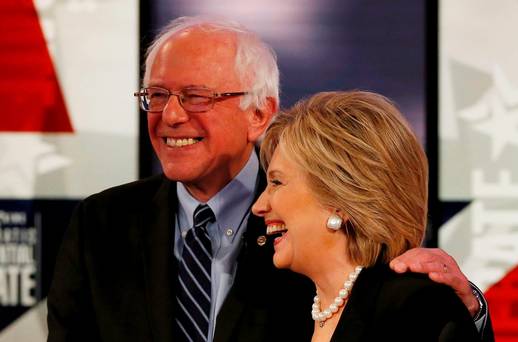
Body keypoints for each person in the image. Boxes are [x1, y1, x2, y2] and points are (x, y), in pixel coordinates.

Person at [46, 16, 491, 342]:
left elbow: (413, 315)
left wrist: (468, 309)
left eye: (196, 96)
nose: (171, 115)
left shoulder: (321, 223)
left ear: (259, 112)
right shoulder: (100, 223)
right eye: (156, 95)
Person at [252, 90, 480, 341]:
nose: (259, 206)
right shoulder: (279, 311)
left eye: (276, 182)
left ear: (340, 198)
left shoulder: (416, 309)